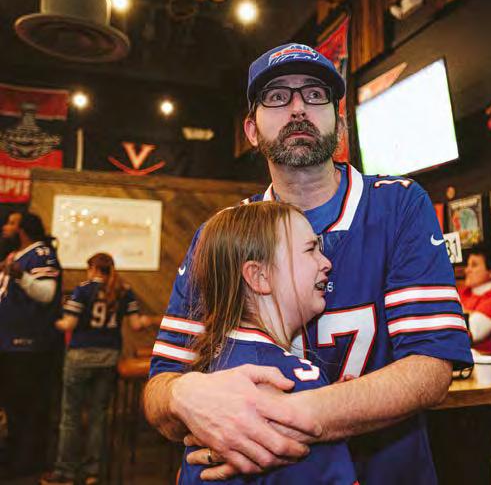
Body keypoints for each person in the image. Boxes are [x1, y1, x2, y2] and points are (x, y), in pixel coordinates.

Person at [144, 42, 472, 484]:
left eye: (315, 95)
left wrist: (282, 417)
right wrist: (183, 395)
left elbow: (431, 368)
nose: (298, 108)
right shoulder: (222, 235)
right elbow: (161, 388)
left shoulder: (399, 205)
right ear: (251, 129)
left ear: (340, 121)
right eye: (277, 96)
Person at [177, 201, 358, 484]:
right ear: (260, 276)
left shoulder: (213, 368)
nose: (326, 263)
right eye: (310, 250)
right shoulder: (288, 381)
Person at [41, 253, 155, 485]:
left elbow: (68, 324)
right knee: (98, 416)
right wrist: (155, 320)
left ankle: (66, 472)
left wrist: (48, 321)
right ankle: (93, 472)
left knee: (70, 417)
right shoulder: (123, 290)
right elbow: (136, 324)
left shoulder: (82, 290)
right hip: (108, 359)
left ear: (92, 269)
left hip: (80, 358)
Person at [0, 211, 62, 479]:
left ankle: (26, 463)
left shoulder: (40, 253)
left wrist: (21, 277)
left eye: (12, 223)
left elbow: (46, 293)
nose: (6, 227)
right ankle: (12, 456)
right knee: (12, 407)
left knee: (27, 408)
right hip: (9, 343)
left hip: (28, 346)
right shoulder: (16, 255)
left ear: (23, 229)